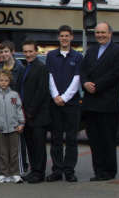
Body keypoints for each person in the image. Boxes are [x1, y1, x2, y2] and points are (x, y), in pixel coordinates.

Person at [80, 22, 119, 181]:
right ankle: (98, 170)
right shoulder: (91, 51)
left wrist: (97, 86)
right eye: (98, 32)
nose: (100, 35)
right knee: (94, 140)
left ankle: (108, 171)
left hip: (107, 103)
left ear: (110, 33)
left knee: (107, 139)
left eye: (103, 32)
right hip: (91, 103)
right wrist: (85, 83)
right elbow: (83, 70)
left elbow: (115, 74)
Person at [46, 25, 83, 183]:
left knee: (71, 139)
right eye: (62, 36)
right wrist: (56, 96)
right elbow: (50, 76)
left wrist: (65, 98)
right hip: (55, 103)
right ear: (58, 37)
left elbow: (77, 79)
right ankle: (57, 170)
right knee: (56, 138)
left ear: (72, 37)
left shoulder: (77, 57)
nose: (64, 38)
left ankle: (69, 171)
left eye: (67, 35)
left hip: (72, 104)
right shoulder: (51, 55)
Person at [19, 40, 51, 184]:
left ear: (36, 52)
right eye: (25, 52)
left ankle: (39, 173)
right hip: (27, 115)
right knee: (31, 145)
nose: (28, 54)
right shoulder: (27, 67)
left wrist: (30, 111)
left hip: (37, 115)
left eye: (30, 51)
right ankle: (33, 171)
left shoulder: (41, 67)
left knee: (39, 146)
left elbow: (41, 92)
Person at [0, 41, 25, 171]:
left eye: (6, 51)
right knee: (2, 142)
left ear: (12, 52)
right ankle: (4, 168)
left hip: (14, 109)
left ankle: (19, 168)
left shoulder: (20, 68)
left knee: (16, 141)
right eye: (1, 52)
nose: (4, 54)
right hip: (0, 109)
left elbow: (22, 90)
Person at [0, 70, 25, 184]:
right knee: (2, 152)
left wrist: (21, 123)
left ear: (9, 81)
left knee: (14, 152)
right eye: (1, 80)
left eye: (6, 80)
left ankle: (15, 173)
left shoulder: (14, 95)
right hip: (0, 129)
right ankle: (3, 173)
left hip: (14, 128)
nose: (3, 83)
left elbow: (18, 109)